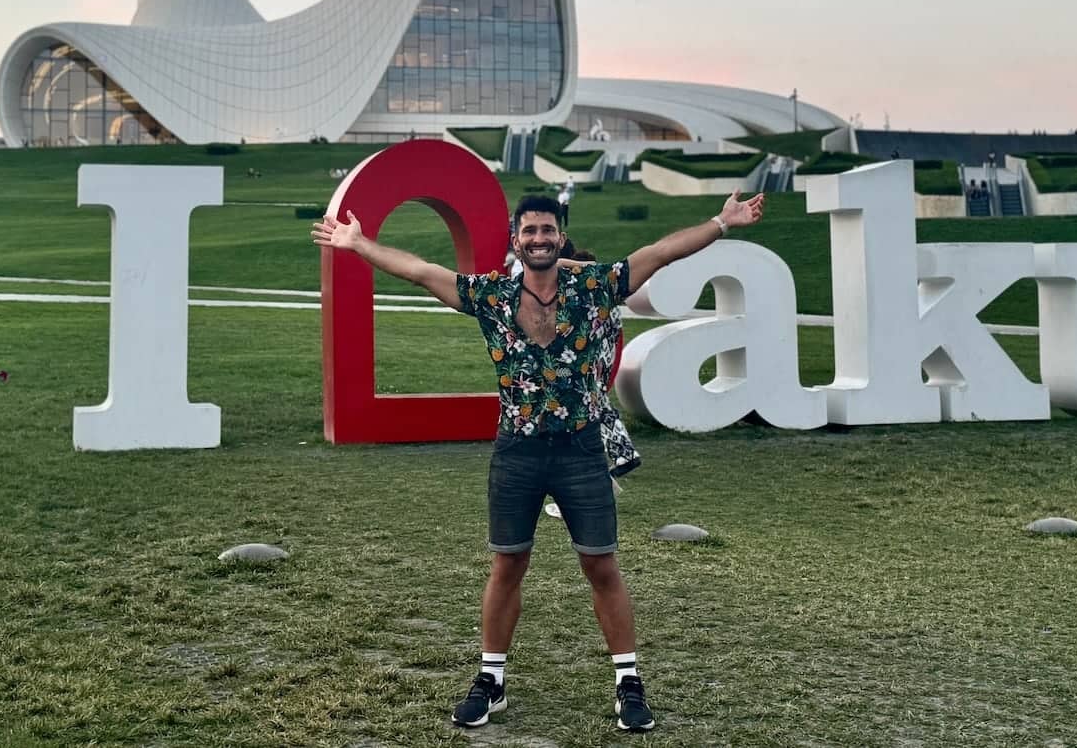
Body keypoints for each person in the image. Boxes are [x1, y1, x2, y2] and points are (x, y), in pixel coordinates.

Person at [312, 189, 766, 734]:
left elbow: (662, 251)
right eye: (529, 231)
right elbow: (420, 271)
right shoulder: (492, 295)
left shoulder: (595, 287)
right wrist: (359, 243)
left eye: (548, 230)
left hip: (580, 450)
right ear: (516, 239)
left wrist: (722, 220)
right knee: (508, 564)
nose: (539, 238)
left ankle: (628, 684)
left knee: (601, 565)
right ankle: (491, 682)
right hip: (517, 452)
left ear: (560, 235)